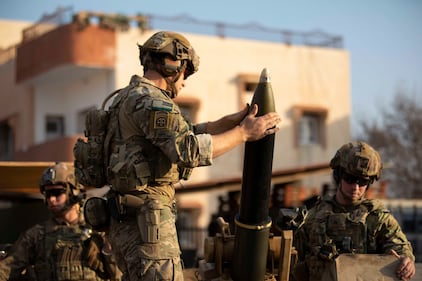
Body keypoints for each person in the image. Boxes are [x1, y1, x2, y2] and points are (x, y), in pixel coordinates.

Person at [103, 30, 281, 281]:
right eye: (185, 73)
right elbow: (188, 151)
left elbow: (175, 137)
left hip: (126, 224)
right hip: (149, 229)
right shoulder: (154, 102)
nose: (184, 81)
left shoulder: (125, 99)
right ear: (172, 65)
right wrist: (243, 134)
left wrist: (225, 124)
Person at [292, 141, 416, 281]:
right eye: (350, 179)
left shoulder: (377, 218)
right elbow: (293, 262)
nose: (355, 187)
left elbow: (400, 249)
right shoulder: (313, 217)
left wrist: (406, 261)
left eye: (362, 181)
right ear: (339, 176)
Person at [0, 162, 120, 281]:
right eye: (48, 194)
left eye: (57, 193)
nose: (51, 199)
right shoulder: (36, 236)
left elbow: (119, 275)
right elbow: (7, 269)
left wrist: (107, 251)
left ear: (73, 192)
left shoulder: (99, 232)